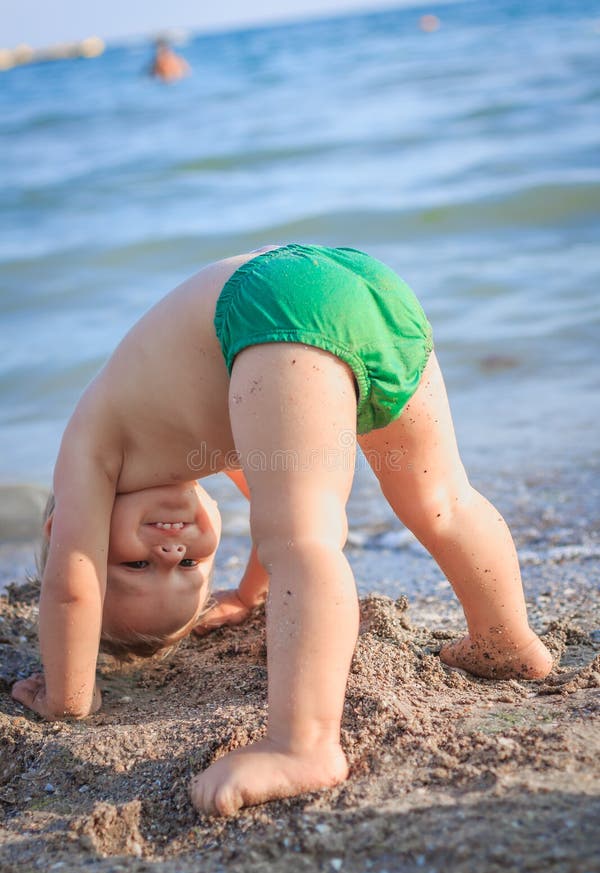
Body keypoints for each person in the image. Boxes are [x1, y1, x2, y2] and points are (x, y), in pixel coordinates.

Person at [11, 244, 553, 817]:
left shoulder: (88, 445)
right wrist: (250, 594)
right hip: (366, 287)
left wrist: (66, 697)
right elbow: (264, 485)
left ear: (72, 531)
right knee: (442, 498)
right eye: (189, 568)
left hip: (272, 306)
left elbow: (71, 586)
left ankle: (304, 746)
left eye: (137, 565)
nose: (170, 549)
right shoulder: (175, 424)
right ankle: (506, 642)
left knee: (302, 538)